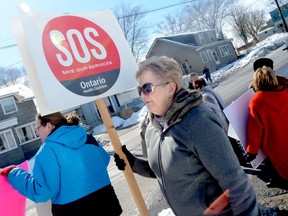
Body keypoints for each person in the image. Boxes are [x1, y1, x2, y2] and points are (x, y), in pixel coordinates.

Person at [114, 56, 285, 215]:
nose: (143, 95)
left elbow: (236, 183)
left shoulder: (197, 122)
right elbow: (167, 172)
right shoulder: (153, 129)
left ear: (170, 88)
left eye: (148, 88)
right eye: (140, 89)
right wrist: (134, 163)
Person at [0, 112, 122, 216]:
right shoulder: (88, 138)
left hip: (74, 210)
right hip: (107, 204)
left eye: (38, 128)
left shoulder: (48, 150)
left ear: (48, 126)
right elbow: (104, 160)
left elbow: (41, 192)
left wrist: (14, 173)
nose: (37, 133)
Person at [245, 66, 288, 190]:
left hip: (278, 147)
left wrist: (251, 151)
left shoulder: (256, 101)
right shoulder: (286, 92)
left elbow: (255, 130)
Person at [193, 78, 247, 167]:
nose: (196, 89)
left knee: (230, 145)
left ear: (202, 85)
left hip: (221, 123)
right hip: (225, 118)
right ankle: (242, 159)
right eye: (195, 87)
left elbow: (213, 112)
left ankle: (240, 162)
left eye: (197, 87)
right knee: (233, 143)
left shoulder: (205, 96)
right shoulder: (212, 91)